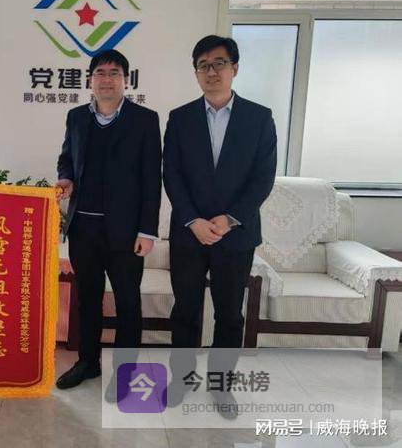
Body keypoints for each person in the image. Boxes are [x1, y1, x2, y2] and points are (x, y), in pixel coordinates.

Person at [163, 35, 276, 417]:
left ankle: (221, 385)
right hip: (189, 233)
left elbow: (263, 178)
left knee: (229, 314)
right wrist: (193, 220)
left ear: (235, 68)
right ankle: (181, 380)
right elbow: (172, 174)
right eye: (203, 65)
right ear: (196, 72)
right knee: (186, 310)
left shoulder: (259, 118)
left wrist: (228, 219)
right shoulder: (180, 118)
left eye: (219, 63)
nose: (211, 71)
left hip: (236, 235)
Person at [55, 49, 162, 395]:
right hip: (83, 229)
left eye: (114, 73)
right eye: (100, 73)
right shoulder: (76, 117)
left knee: (128, 301)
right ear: (90, 80)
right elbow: (66, 158)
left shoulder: (145, 120)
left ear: (125, 80)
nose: (106, 79)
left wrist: (147, 231)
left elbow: (151, 178)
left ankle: (127, 372)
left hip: (126, 232)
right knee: (87, 299)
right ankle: (88, 362)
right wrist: (66, 178)